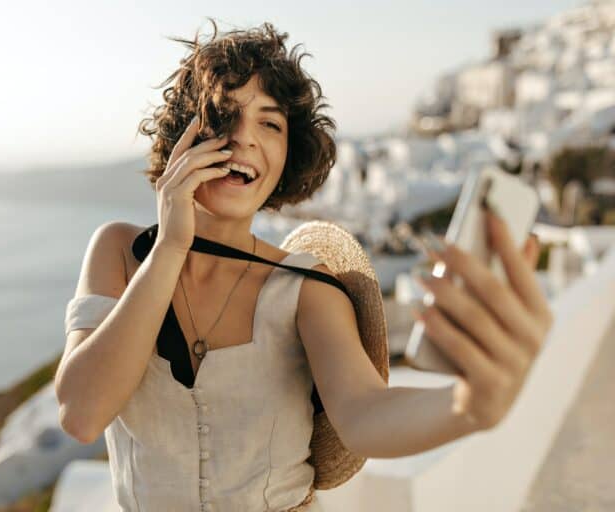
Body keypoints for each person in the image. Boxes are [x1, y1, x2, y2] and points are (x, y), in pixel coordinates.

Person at [54, 20, 554, 512]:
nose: (245, 138)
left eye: (270, 123)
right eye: (224, 115)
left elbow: (365, 413)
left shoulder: (308, 287)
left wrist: (467, 407)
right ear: (182, 138)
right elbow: (82, 413)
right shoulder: (122, 251)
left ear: (287, 156)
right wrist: (170, 248)